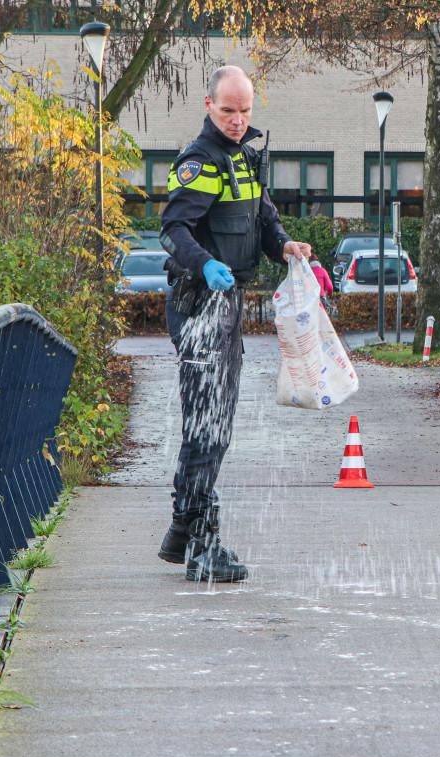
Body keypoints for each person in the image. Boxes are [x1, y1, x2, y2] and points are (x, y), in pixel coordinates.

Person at [158, 65, 312, 582]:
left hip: (228, 305)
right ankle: (202, 546)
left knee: (213, 422)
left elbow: (262, 218)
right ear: (208, 105)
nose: (237, 120)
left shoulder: (244, 158)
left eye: (245, 111)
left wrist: (285, 244)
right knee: (209, 425)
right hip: (200, 302)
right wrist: (203, 263)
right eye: (228, 111)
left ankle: (183, 529)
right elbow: (173, 228)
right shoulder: (201, 161)